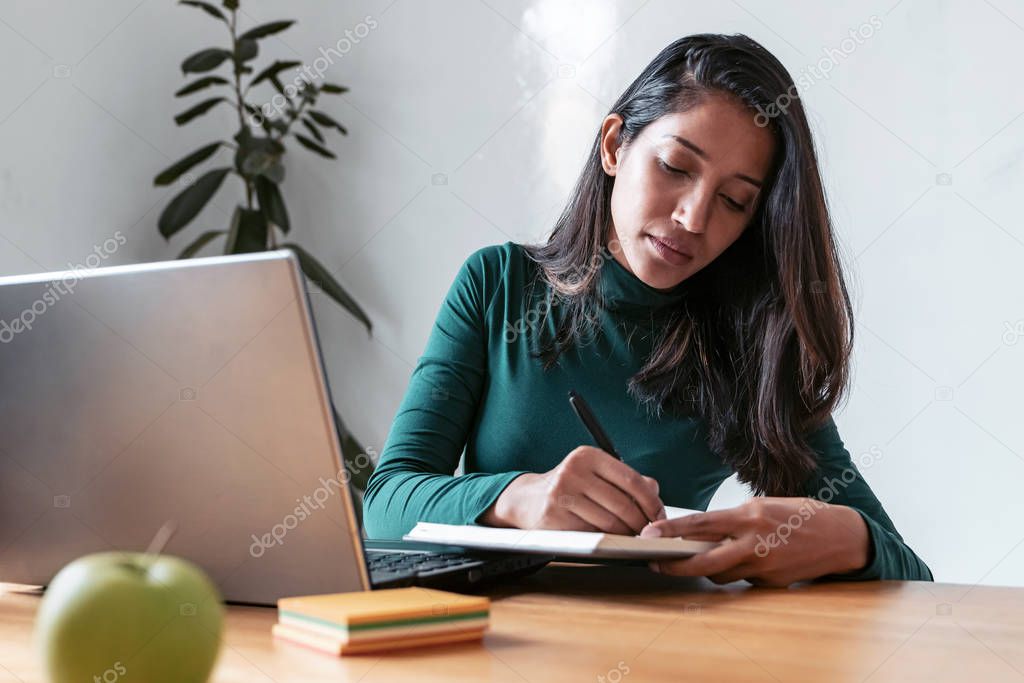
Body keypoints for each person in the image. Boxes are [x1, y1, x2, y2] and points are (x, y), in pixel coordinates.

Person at [362, 33, 933, 586]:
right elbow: (385, 504)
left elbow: (912, 572)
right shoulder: (499, 284)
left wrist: (845, 537)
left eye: (734, 201)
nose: (693, 217)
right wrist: (517, 499)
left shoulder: (750, 342)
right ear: (614, 146)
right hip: (489, 646)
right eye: (676, 167)